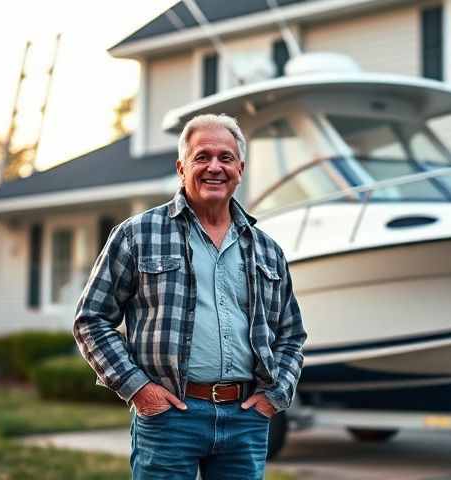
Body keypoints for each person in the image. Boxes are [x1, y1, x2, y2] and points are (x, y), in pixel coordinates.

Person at [73, 113, 307, 479]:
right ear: (181, 167)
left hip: (245, 420)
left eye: (225, 158)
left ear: (240, 169)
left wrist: (273, 396)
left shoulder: (267, 250)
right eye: (202, 157)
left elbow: (291, 335)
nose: (215, 167)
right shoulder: (137, 235)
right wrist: (139, 389)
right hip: (170, 419)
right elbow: (91, 320)